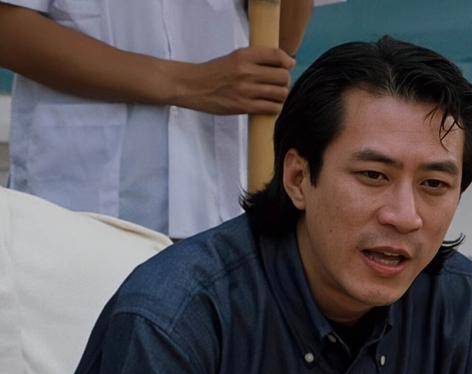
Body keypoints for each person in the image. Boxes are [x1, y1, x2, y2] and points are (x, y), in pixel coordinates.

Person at [61, 36, 472, 374]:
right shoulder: (175, 319)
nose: (405, 216)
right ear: (298, 178)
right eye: (373, 176)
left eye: (433, 184)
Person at [0, 0, 329, 238]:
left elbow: (277, 38)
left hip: (219, 188)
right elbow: (9, 27)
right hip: (83, 195)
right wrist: (191, 84)